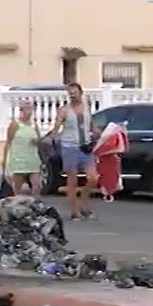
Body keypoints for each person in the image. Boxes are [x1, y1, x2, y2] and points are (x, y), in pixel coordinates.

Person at [47, 82, 100, 220]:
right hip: (70, 147)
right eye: (70, 94)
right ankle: (74, 210)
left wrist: (100, 134)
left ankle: (83, 200)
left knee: (93, 178)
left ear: (80, 93)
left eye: (75, 93)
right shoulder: (64, 110)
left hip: (86, 146)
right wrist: (52, 136)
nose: (73, 96)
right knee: (72, 180)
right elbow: (57, 126)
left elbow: (91, 126)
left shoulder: (87, 108)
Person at [1, 100, 42, 198]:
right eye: (27, 109)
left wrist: (36, 141)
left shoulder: (34, 124)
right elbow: (8, 142)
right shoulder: (15, 125)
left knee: (36, 186)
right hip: (19, 158)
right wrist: (5, 159)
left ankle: (35, 205)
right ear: (21, 110)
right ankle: (15, 204)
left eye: (31, 109)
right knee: (17, 188)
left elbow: (39, 140)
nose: (29, 112)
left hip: (32, 158)